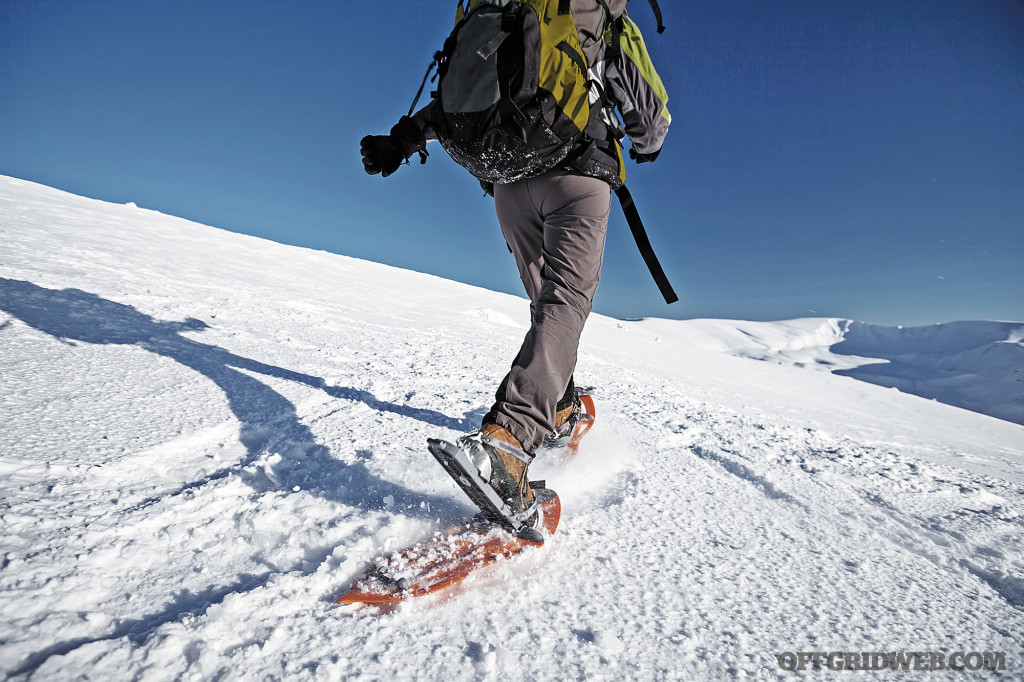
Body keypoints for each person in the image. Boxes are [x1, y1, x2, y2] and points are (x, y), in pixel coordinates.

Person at [360, 0, 669, 530]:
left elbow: (467, 96)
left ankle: (562, 405)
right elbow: (651, 121)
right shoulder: (604, 12)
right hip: (574, 173)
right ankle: (508, 442)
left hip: (507, 183)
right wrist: (644, 143)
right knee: (564, 303)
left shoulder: (498, 4)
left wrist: (403, 139)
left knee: (544, 306)